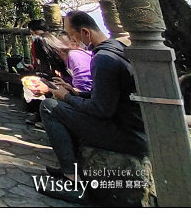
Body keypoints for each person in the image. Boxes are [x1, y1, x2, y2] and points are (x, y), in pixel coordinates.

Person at [38, 11, 148, 203]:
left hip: (126, 134)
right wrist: (75, 92)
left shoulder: (103, 59)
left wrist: (66, 97)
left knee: (49, 107)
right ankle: (73, 169)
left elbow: (100, 110)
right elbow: (108, 95)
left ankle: (73, 180)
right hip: (133, 127)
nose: (70, 41)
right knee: (60, 104)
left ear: (85, 33)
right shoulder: (116, 48)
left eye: (72, 35)